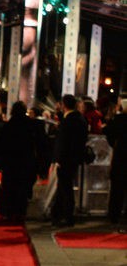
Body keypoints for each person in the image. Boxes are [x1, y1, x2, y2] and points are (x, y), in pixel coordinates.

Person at [0, 100, 38, 222]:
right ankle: (20, 211)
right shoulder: (30, 125)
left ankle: (9, 211)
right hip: (25, 161)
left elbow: (2, 145)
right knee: (23, 188)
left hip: (10, 162)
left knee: (10, 187)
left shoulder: (8, 126)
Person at [51, 93, 88, 227]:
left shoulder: (68, 121)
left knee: (65, 188)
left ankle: (67, 216)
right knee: (64, 187)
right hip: (74, 159)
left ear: (63, 105)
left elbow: (63, 142)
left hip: (66, 159)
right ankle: (58, 214)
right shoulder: (80, 119)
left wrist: (58, 159)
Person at [104, 98, 127, 229]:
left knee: (117, 188)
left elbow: (108, 132)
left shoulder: (118, 120)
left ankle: (114, 215)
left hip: (121, 156)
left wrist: (114, 143)